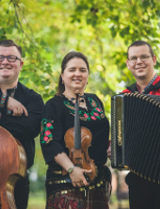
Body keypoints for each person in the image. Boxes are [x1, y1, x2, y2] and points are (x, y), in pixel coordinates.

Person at [0, 39, 44, 209]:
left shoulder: (33, 99)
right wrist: (3, 101)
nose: (5, 62)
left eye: (11, 58)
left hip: (14, 182)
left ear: (20, 64)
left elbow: (29, 129)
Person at [40, 51, 111, 209]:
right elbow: (49, 142)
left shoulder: (95, 101)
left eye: (82, 70)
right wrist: (71, 169)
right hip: (65, 179)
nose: (77, 74)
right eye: (72, 70)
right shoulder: (53, 105)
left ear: (87, 75)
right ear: (63, 75)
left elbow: (99, 136)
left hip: (97, 181)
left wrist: (110, 146)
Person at [123, 40, 160, 209]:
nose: (138, 62)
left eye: (143, 57)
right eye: (133, 58)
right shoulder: (125, 97)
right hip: (138, 180)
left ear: (154, 59)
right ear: (128, 64)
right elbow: (122, 134)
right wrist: (115, 148)